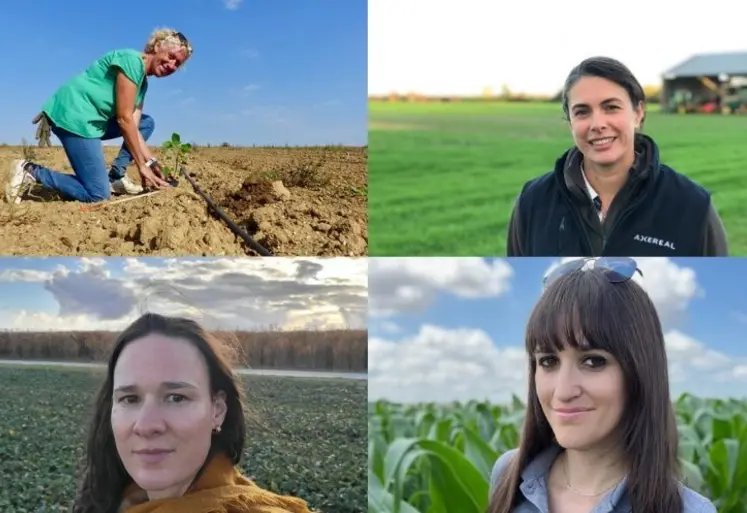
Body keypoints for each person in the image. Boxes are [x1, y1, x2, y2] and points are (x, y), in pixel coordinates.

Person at [487, 257, 717, 513]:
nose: (563, 392)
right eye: (549, 361)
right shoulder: (509, 474)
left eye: (593, 361)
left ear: (640, 371)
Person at [71, 313, 313, 513]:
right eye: (130, 399)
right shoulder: (114, 501)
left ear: (217, 410)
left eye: (176, 398)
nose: (146, 425)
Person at [506, 56, 728, 257]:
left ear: (638, 113)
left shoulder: (692, 206)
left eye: (611, 107)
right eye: (582, 112)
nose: (598, 124)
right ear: (570, 121)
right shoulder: (532, 202)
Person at [4, 27, 190, 205]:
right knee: (98, 194)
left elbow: (134, 125)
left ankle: (116, 177)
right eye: (171, 56)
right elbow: (124, 119)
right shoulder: (132, 61)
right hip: (75, 115)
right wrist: (141, 166)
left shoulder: (143, 84)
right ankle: (30, 171)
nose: (172, 65)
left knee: (146, 123)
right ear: (157, 46)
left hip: (93, 121)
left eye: (178, 63)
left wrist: (151, 162)